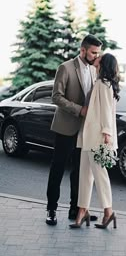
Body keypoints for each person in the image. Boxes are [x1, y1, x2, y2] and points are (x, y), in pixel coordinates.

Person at [45, 34, 102, 225]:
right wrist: (79, 110)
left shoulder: (95, 70)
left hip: (85, 130)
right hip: (65, 127)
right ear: (83, 50)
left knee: (79, 172)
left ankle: (75, 211)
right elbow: (56, 97)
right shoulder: (66, 67)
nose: (96, 56)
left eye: (98, 53)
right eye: (93, 52)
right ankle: (51, 210)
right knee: (58, 169)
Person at [69, 53, 120, 229]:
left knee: (100, 176)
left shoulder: (103, 84)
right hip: (88, 135)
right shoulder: (100, 82)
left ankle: (109, 212)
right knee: (85, 175)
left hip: (98, 136)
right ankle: (82, 211)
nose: (97, 57)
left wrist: (107, 133)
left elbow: (106, 111)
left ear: (103, 63)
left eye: (100, 56)